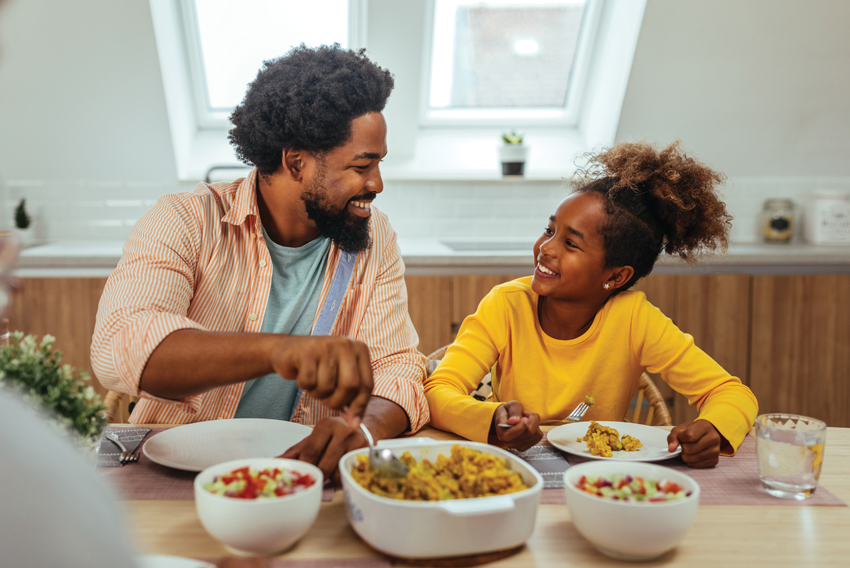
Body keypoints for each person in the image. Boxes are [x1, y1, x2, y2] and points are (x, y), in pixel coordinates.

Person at [91, 45, 429, 477]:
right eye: (361, 166)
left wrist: (365, 430)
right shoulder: (186, 220)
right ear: (296, 162)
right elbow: (121, 344)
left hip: (299, 478)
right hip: (176, 474)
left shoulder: (373, 235)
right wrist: (279, 351)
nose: (377, 183)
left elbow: (396, 366)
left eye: (378, 163)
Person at [424, 141, 758, 468]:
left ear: (615, 277)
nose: (546, 248)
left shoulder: (634, 320)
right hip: (517, 466)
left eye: (570, 243)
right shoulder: (507, 305)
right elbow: (439, 391)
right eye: (549, 230)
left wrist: (713, 428)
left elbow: (732, 393)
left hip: (605, 475)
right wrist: (493, 419)